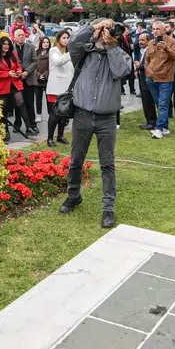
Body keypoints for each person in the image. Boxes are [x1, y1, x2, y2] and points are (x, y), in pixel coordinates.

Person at [59, 20, 133, 229]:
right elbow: (73, 41)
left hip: (107, 118)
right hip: (82, 114)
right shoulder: (84, 52)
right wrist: (95, 26)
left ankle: (108, 208)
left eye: (111, 32)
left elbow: (121, 72)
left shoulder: (121, 54)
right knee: (76, 160)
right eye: (104, 31)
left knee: (107, 164)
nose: (106, 34)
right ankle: (73, 196)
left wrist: (112, 46)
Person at [141, 20, 175, 139]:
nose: (155, 31)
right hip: (151, 78)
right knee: (159, 103)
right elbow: (147, 59)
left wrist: (166, 48)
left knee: (163, 104)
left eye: (157, 29)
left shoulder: (172, 41)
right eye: (153, 29)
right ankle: (165, 127)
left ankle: (158, 129)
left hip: (165, 78)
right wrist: (147, 72)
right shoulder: (151, 42)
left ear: (164, 30)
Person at [0, 35, 32, 140]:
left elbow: (18, 66)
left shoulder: (13, 54)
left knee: (20, 102)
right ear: (0, 45)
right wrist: (7, 74)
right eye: (4, 44)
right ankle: (5, 131)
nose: (6, 46)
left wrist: (19, 72)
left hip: (14, 82)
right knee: (3, 107)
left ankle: (29, 127)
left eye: (8, 44)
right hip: (2, 84)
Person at [45, 30, 73, 147]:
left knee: (64, 114)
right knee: (54, 114)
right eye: (64, 38)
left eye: (68, 38)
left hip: (66, 89)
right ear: (58, 39)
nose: (66, 40)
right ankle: (50, 138)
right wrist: (71, 53)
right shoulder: (54, 51)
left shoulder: (68, 52)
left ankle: (60, 136)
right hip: (55, 88)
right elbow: (58, 62)